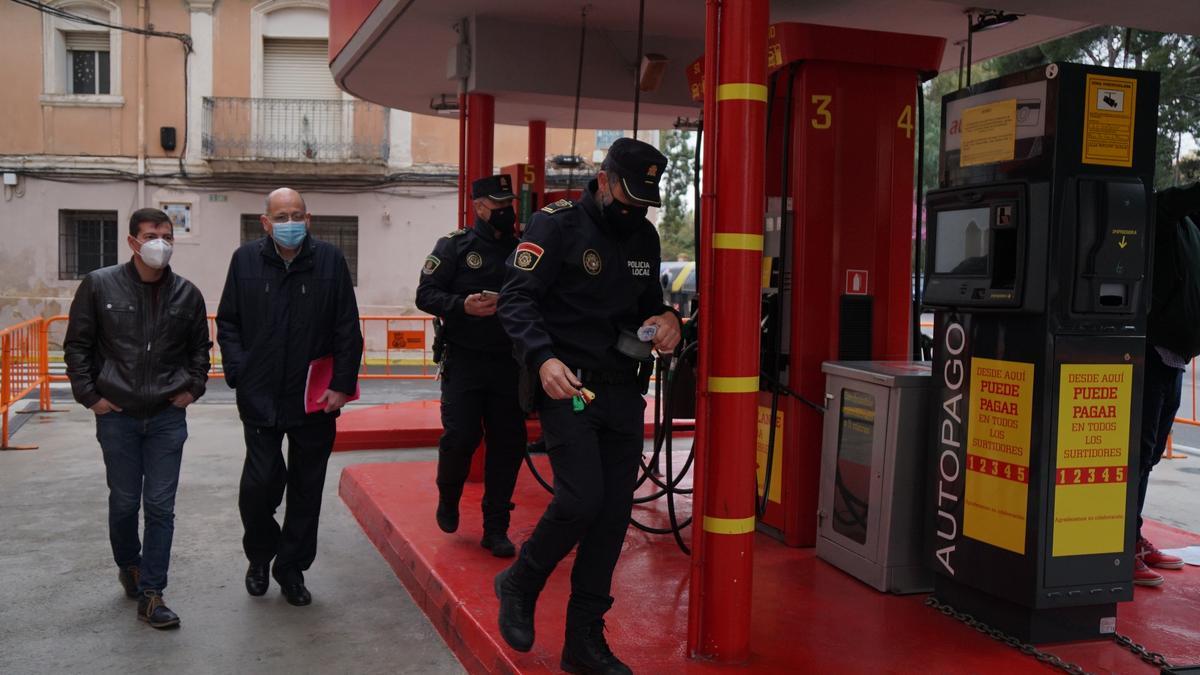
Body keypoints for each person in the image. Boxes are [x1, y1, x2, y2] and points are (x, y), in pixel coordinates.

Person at [494, 138, 681, 673]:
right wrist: (542, 359)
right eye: (626, 194)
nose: (633, 208)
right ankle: (521, 581)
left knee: (612, 515)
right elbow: (516, 298)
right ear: (603, 179)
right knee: (581, 500)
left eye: (644, 199)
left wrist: (670, 319)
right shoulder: (557, 225)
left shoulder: (643, 235)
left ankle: (583, 642)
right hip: (567, 385)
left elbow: (650, 307)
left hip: (625, 390)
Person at [64, 207, 211, 629]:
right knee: (126, 502)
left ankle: (152, 593)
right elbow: (77, 346)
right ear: (132, 241)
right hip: (118, 415)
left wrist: (193, 389)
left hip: (167, 417)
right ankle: (129, 563)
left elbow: (200, 349)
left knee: (161, 507)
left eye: (166, 235)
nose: (159, 244)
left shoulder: (187, 294)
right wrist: (91, 396)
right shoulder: (98, 285)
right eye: (150, 235)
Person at [216, 187, 363, 606]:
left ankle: (291, 569)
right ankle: (260, 556)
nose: (290, 223)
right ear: (265, 222)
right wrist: (240, 372)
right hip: (259, 394)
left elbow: (346, 327)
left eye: (296, 215)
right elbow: (228, 322)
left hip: (314, 398)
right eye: (281, 216)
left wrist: (342, 384)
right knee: (260, 484)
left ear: (309, 219)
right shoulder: (244, 260)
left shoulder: (330, 260)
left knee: (306, 488)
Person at [416, 174, 527, 557]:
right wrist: (462, 305)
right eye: (498, 205)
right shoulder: (455, 246)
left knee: (508, 445)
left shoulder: (522, 248)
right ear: (479, 207)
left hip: (509, 363)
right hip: (464, 360)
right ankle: (448, 496)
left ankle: (496, 526)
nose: (505, 211)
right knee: (461, 437)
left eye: (508, 204)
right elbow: (425, 294)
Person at [1134, 183, 1200, 586]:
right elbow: (1178, 200)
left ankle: (1132, 534)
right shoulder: (1162, 214)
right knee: (1137, 454)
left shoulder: (1193, 230)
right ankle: (1121, 542)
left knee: (1152, 452)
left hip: (1176, 356)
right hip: (1152, 351)